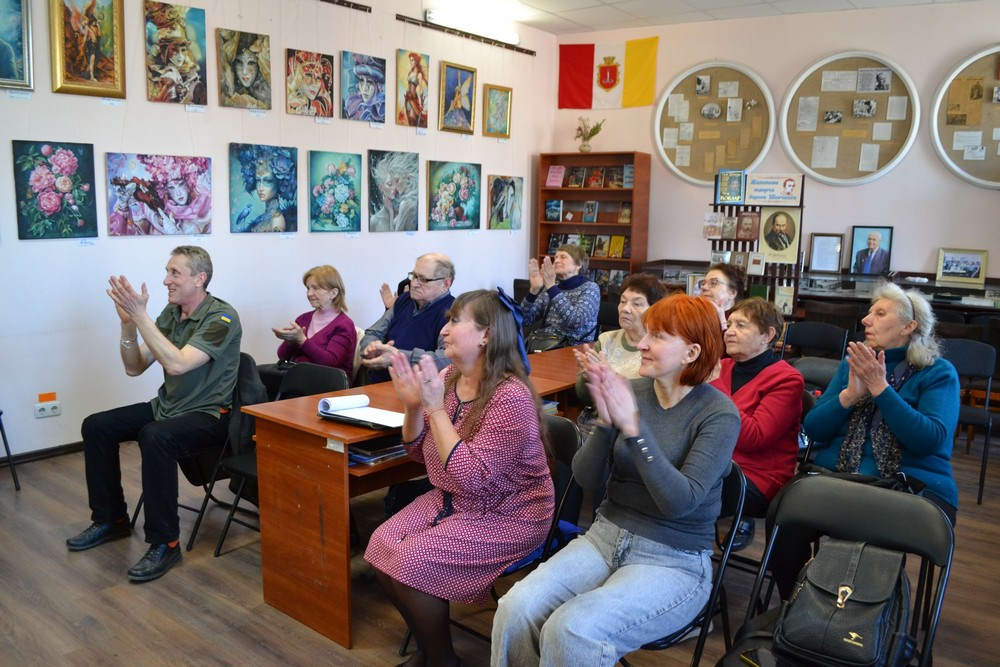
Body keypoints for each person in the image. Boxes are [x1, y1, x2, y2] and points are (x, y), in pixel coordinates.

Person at [492, 294, 740, 665]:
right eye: (646, 334)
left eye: (657, 337)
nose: (642, 344)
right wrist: (607, 424)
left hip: (674, 559)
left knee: (571, 628)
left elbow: (679, 503)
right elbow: (586, 478)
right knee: (516, 607)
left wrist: (634, 429)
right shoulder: (632, 392)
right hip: (605, 536)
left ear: (691, 353)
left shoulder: (719, 414)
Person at [366, 289, 553, 667]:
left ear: (486, 335)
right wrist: (414, 406)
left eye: (455, 321)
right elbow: (417, 452)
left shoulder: (510, 397)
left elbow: (471, 477)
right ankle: (432, 651)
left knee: (411, 562)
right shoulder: (450, 377)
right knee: (380, 547)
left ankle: (441, 660)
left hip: (509, 514)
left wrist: (434, 408)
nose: (444, 330)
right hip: (453, 499)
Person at [66, 246, 241, 583]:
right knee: (97, 426)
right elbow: (134, 367)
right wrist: (129, 325)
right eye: (167, 271)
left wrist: (142, 316)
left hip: (210, 415)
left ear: (199, 278)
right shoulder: (171, 314)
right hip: (168, 408)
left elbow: (177, 364)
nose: (166, 280)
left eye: (175, 273)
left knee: (156, 435)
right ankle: (111, 519)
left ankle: (166, 542)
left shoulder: (222, 317)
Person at [777, 283, 959, 598]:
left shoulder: (937, 373)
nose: (865, 320)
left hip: (909, 488)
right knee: (784, 518)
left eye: (880, 313)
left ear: (908, 326)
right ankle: (796, 605)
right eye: (869, 312)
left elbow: (930, 440)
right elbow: (815, 430)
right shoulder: (856, 363)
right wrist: (848, 396)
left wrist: (880, 389)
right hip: (840, 478)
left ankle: (856, 616)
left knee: (867, 543)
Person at [710, 297, 803, 549]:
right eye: (729, 324)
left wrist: (714, 382)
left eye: (741, 325)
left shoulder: (787, 379)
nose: (729, 331)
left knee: (684, 489)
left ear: (767, 335)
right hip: (714, 465)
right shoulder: (722, 367)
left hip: (755, 477)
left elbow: (754, 438)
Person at [258, 265, 357, 398]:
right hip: (299, 384)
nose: (309, 294)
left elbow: (330, 363)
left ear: (333, 293)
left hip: (330, 387)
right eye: (308, 288)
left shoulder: (344, 325)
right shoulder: (303, 319)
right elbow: (282, 355)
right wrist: (290, 341)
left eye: (315, 288)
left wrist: (302, 341)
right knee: (258, 378)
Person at [360, 253, 455, 384]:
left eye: (423, 279)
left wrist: (397, 357)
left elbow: (446, 358)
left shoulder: (453, 311)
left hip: (416, 388)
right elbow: (373, 332)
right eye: (414, 276)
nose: (414, 284)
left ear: (445, 283)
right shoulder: (404, 300)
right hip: (377, 382)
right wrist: (371, 348)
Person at [574, 273, 667, 400]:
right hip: (601, 411)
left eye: (637, 304)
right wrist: (588, 375)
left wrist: (608, 376)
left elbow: (651, 396)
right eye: (623, 301)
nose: (625, 309)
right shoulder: (605, 340)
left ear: (655, 309)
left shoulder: (660, 348)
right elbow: (584, 397)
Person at [521, 244, 601, 348]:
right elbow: (524, 320)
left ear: (578, 264)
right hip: (544, 345)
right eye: (556, 257)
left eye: (563, 257)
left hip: (575, 348)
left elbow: (575, 321)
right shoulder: (551, 286)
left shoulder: (590, 288)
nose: (557, 261)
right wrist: (533, 290)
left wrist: (551, 287)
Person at [232, 144, 297, 233]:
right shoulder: (265, 216)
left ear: (279, 183)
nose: (260, 187)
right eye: (258, 180)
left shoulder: (277, 220)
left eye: (268, 181)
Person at [369, 151, 418, 232]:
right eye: (389, 184)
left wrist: (390, 211)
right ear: (381, 187)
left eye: (396, 181)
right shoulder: (374, 220)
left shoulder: (406, 205)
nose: (394, 188)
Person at [286, 50, 332, 116]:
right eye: (308, 75)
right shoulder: (290, 103)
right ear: (297, 77)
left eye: (318, 78)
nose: (313, 83)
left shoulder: (320, 108)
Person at [699, 262, 744, 329]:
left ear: (732, 293)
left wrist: (722, 323)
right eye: (703, 283)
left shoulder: (744, 322)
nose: (703, 287)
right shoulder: (698, 316)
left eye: (713, 283)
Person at [344, 54, 385, 122]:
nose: (364, 88)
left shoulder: (382, 108)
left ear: (378, 86)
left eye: (369, 82)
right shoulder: (353, 105)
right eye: (361, 80)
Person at [402, 52, 428, 126]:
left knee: (413, 117)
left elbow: (421, 89)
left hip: (413, 98)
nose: (411, 62)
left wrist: (421, 102)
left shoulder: (419, 74)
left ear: (416, 61)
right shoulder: (410, 72)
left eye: (412, 60)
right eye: (410, 60)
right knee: (408, 117)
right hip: (407, 97)